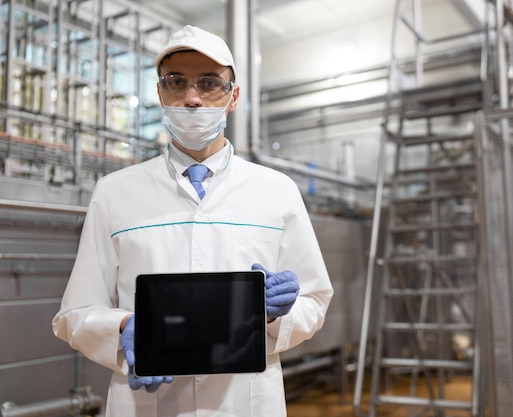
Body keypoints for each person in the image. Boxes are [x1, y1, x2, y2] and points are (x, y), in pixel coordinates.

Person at [52, 25, 333, 417]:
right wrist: (121, 328)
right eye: (176, 82)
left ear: (233, 96)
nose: (192, 98)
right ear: (159, 93)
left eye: (209, 83)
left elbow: (315, 301)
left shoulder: (276, 190)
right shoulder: (114, 192)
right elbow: (75, 313)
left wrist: (271, 315)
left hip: (245, 401)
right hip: (147, 402)